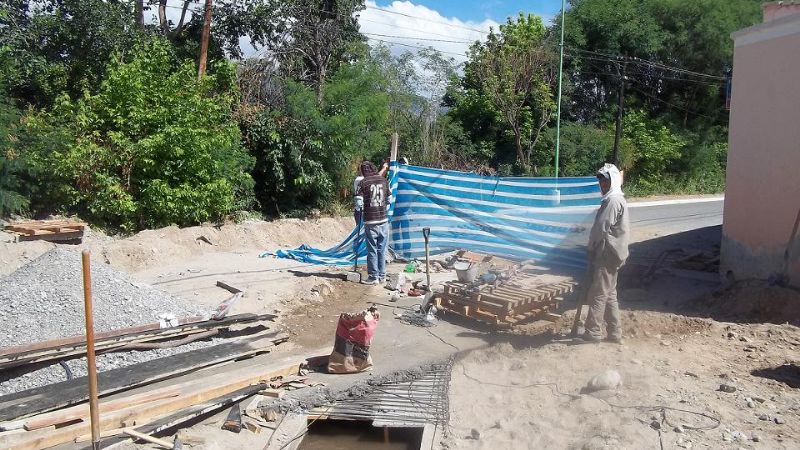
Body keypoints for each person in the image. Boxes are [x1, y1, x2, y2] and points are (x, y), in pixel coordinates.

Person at [580, 163, 630, 344]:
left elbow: (601, 228)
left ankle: (592, 332)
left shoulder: (613, 201)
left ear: (613, 182)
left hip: (607, 253)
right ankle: (615, 333)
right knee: (609, 293)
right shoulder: (615, 199)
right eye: (601, 183)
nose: (602, 186)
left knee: (598, 293)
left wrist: (591, 246)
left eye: (605, 182)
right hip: (614, 253)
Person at [357, 161, 390, 284]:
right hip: (384, 220)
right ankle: (382, 276)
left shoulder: (363, 182)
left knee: (372, 250)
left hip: (371, 221)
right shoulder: (384, 181)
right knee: (382, 249)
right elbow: (389, 199)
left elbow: (359, 202)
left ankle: (373, 276)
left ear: (364, 171)